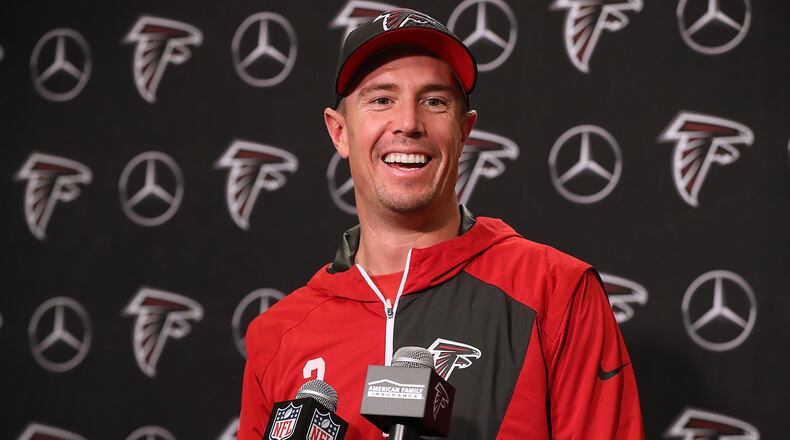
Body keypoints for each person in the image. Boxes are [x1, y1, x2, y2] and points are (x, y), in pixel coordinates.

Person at [239, 9, 644, 439]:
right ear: (339, 132)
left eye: (434, 101)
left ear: (464, 131)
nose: (409, 124)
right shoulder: (279, 334)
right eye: (381, 99)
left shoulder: (557, 292)